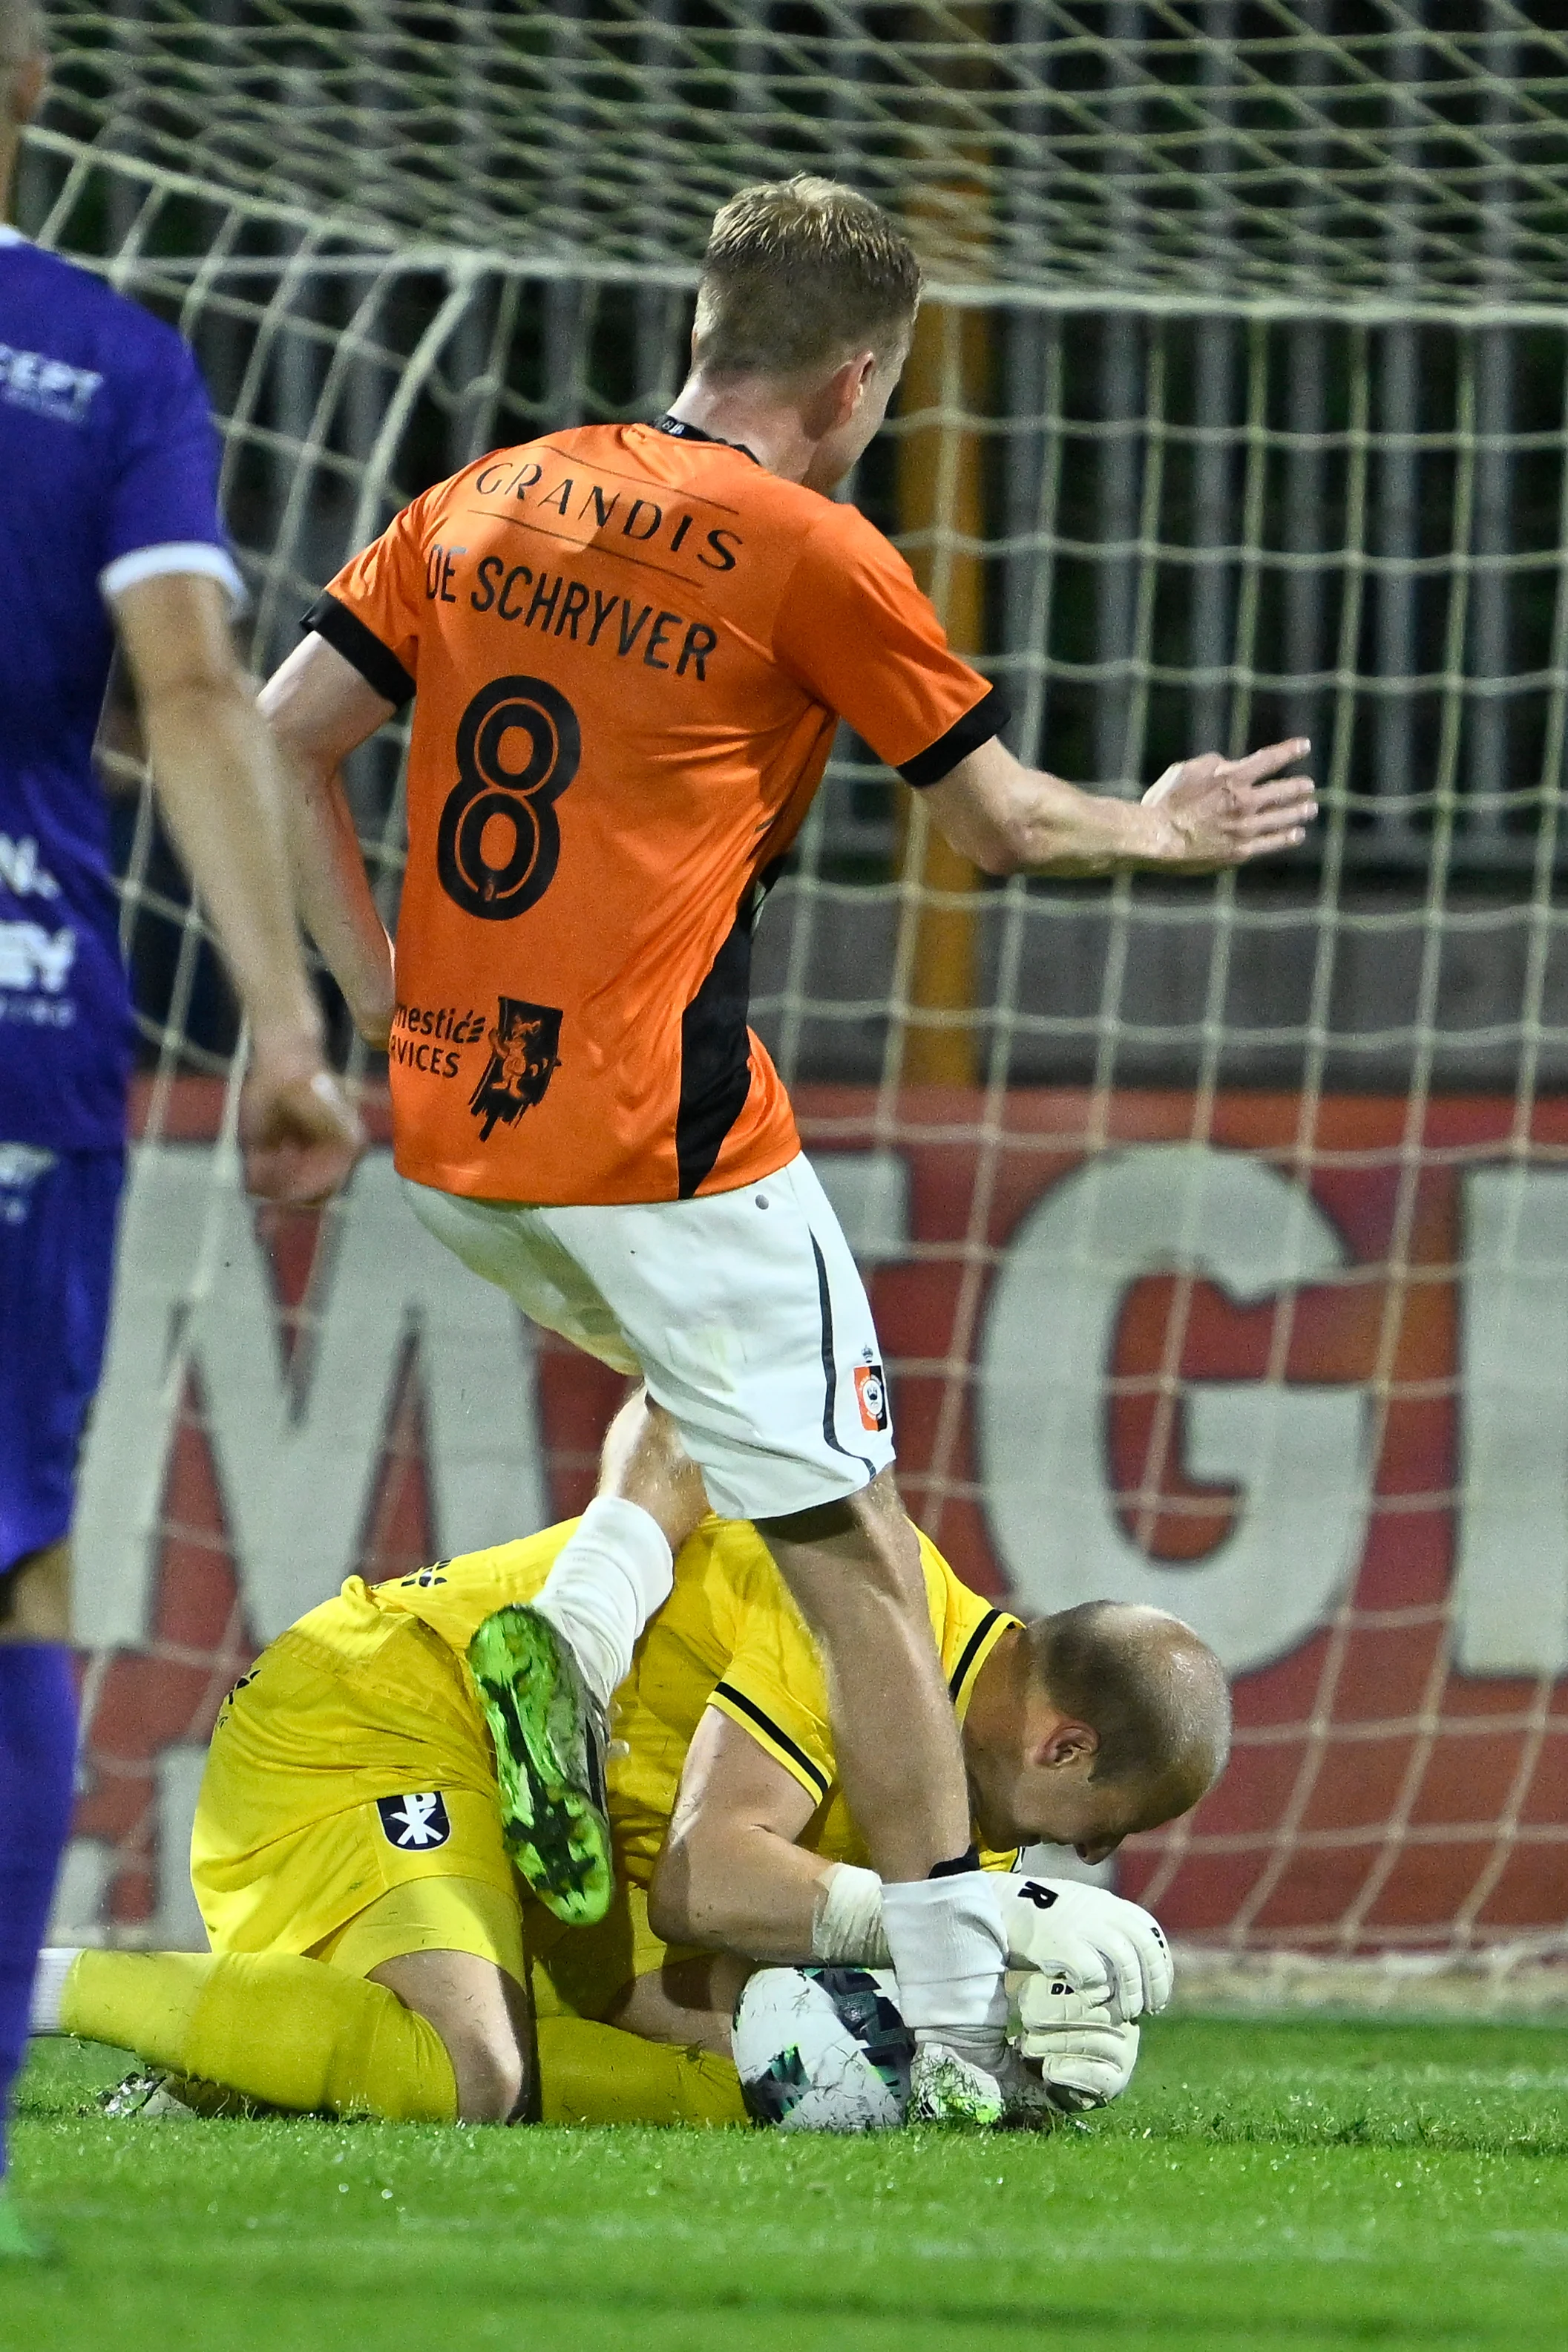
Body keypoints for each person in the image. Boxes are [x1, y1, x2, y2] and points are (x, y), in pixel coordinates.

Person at [259, 173, 1306, 2123]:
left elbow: (279, 732)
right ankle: (954, 2016)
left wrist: (365, 1000)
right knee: (860, 1558)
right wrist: (1165, 824)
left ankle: (574, 1634)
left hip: (455, 1134)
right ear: (851, 380)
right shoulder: (809, 543)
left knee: (723, 1404)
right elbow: (997, 828)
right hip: (667, 1140)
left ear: (699, 329)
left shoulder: (490, 492)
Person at [30, 1397, 1229, 2132]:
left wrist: (992, 2054)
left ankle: (251, 2064)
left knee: (773, 2082)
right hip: (384, 1710)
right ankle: (28, 1986)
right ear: (1064, 1743)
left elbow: (662, 1994)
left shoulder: (970, 1807)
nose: (1094, 1857)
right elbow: (705, 1879)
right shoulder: (875, 1609)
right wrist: (974, 1924)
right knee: (470, 2071)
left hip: (543, 1836)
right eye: (1110, 1824)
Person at [0, 2, 364, 2260]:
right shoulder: (100, 365)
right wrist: (287, 1012)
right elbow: (198, 686)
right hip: (21, 1007)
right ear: (31, 93)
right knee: (18, 1561)